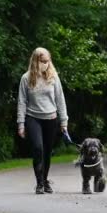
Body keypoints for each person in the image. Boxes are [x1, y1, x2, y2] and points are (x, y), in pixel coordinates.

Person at [17, 47, 68, 194]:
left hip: (50, 118)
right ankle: (39, 183)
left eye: (48, 61)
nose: (46, 64)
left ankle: (45, 180)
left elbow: (60, 99)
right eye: (43, 61)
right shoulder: (26, 78)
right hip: (33, 118)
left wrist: (64, 121)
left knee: (47, 152)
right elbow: (22, 102)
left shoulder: (53, 77)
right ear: (35, 61)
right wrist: (21, 124)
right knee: (38, 148)